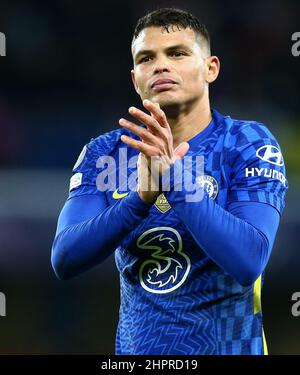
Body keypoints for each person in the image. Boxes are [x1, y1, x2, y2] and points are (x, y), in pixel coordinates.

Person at [51, 8, 288, 355]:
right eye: (147, 58)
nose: (161, 65)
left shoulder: (247, 142)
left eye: (177, 53)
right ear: (135, 79)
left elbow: (248, 260)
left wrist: (173, 180)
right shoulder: (105, 153)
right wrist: (139, 199)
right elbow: (65, 257)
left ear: (211, 68)